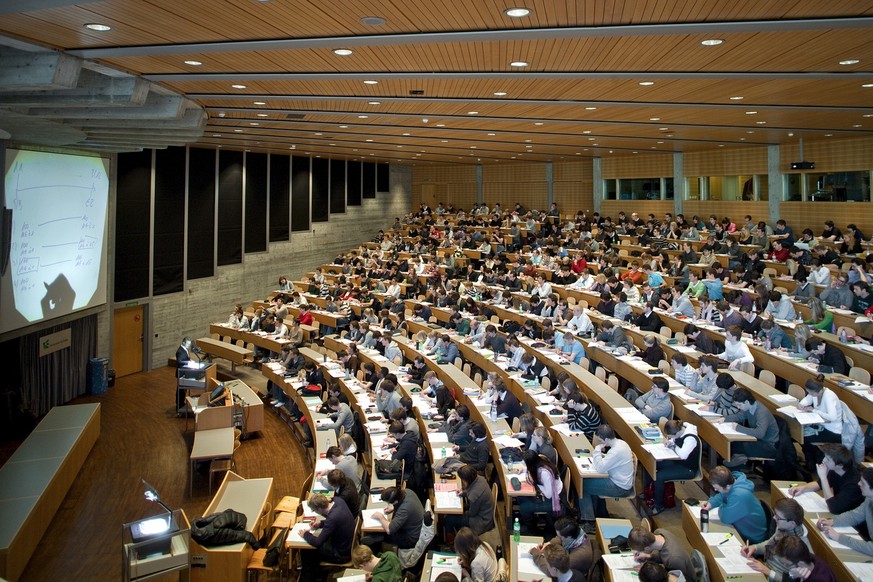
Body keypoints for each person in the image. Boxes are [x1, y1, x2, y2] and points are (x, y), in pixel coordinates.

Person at [741, 498, 812, 582]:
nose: (774, 518)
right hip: (765, 566)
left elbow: (792, 581)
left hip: (775, 576)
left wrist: (767, 571)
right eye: (775, 514)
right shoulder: (783, 528)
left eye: (778, 518)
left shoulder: (801, 549)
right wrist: (755, 548)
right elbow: (770, 543)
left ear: (792, 523)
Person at [580, 425, 634, 524]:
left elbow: (600, 468)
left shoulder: (616, 451)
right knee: (590, 483)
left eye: (601, 441)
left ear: (607, 439)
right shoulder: (621, 443)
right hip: (618, 480)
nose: (601, 443)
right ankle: (600, 513)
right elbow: (610, 461)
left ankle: (588, 520)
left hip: (620, 487)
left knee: (582, 486)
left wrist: (597, 450)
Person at [643, 420, 700, 514]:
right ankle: (648, 492)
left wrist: (673, 445)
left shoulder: (690, 439)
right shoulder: (679, 431)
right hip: (677, 462)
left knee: (659, 477)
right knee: (650, 463)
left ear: (677, 433)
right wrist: (670, 442)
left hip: (688, 468)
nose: (670, 438)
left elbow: (683, 455)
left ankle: (658, 506)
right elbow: (674, 441)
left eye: (671, 436)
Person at [789, 443, 863, 515]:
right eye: (825, 457)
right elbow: (819, 484)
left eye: (828, 459)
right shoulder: (835, 470)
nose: (824, 460)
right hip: (837, 510)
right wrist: (803, 488)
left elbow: (834, 508)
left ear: (840, 465)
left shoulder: (854, 483)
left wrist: (823, 477)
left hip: (848, 516)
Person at [701, 466, 768, 543]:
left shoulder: (739, 495)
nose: (715, 490)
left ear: (728, 486)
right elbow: (723, 494)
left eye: (717, 489)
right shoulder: (732, 483)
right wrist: (711, 503)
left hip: (750, 538)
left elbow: (725, 517)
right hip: (739, 527)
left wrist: (723, 505)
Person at [818, 467, 873, 556]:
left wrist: (839, 537)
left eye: (863, 483)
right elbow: (854, 515)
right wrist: (831, 521)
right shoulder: (869, 499)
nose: (858, 484)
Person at [301, 493, 355, 578]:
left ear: (318, 509)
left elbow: (318, 542)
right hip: (347, 545)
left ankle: (311, 577)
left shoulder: (332, 518)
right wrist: (321, 523)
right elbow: (337, 521)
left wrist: (305, 534)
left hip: (341, 554)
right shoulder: (339, 501)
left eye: (314, 510)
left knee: (306, 550)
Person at [723, 388, 779, 466]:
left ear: (746, 402)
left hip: (768, 445)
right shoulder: (748, 407)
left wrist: (738, 428)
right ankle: (735, 461)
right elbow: (739, 416)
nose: (738, 407)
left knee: (735, 446)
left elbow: (760, 433)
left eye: (739, 405)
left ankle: (734, 468)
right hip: (757, 440)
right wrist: (724, 419)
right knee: (730, 444)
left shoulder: (761, 412)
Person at [798, 376, 843, 468]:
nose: (809, 394)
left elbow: (832, 417)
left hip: (833, 431)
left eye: (810, 392)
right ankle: (811, 459)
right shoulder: (815, 393)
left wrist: (815, 411)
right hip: (821, 425)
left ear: (816, 391)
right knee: (799, 434)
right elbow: (807, 399)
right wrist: (801, 405)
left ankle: (814, 460)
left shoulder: (829, 396)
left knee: (805, 438)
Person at [748, 535, 836, 582]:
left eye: (786, 564)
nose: (784, 566)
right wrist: (792, 575)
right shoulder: (806, 558)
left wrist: (793, 575)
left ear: (800, 563)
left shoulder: (821, 579)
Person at [529, 517, 596, 577]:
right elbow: (559, 538)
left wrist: (535, 553)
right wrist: (549, 544)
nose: (558, 537)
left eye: (560, 536)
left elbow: (551, 571)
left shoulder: (579, 556)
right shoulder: (577, 532)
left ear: (568, 537)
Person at [442, 464, 495, 535]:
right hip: (483, 512)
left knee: (449, 519)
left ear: (466, 480)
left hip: (481, 520)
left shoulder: (474, 496)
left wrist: (460, 512)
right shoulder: (480, 479)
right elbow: (471, 489)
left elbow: (472, 513)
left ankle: (452, 541)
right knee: (455, 512)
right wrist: (462, 493)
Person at [627, 526, 694, 581]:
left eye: (640, 551)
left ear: (647, 548)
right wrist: (649, 556)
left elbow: (667, 578)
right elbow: (664, 555)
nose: (640, 552)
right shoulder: (659, 532)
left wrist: (648, 573)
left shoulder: (673, 559)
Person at [518, 449, 563, 528]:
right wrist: (524, 469)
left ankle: (531, 528)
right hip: (548, 495)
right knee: (520, 497)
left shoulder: (544, 473)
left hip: (552, 500)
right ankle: (533, 518)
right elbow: (533, 469)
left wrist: (534, 483)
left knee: (523, 508)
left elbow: (549, 494)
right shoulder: (540, 459)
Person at [368, 486, 424, 550]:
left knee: (378, 534)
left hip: (410, 538)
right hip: (416, 529)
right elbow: (403, 504)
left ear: (395, 501)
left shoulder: (404, 509)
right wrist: (394, 507)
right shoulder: (408, 491)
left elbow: (389, 530)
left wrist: (380, 517)